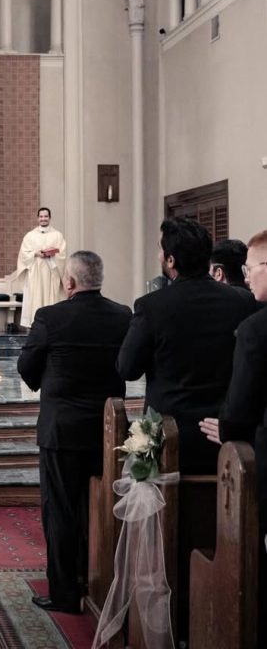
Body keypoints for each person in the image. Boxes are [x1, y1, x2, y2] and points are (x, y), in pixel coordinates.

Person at [17, 251, 131, 614]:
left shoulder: (50, 316)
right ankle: (100, 577)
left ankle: (66, 592)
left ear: (69, 282)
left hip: (61, 430)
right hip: (108, 429)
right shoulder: (123, 315)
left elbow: (27, 367)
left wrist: (43, 382)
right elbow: (127, 367)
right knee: (101, 505)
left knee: (61, 511)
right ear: (99, 278)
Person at [118, 217, 257, 474]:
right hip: (225, 435)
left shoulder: (151, 306)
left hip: (167, 438)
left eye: (161, 249)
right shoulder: (243, 301)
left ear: (171, 260)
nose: (159, 255)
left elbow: (127, 368)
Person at [200, 230, 267, 646]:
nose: (249, 278)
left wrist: (226, 428)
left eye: (253, 269)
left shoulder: (257, 330)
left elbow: (240, 409)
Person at [15, 208, 67, 328]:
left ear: (50, 218)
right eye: (41, 216)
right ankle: (36, 324)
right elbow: (23, 254)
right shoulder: (30, 236)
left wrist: (52, 254)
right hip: (35, 273)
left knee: (50, 298)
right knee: (36, 297)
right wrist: (35, 253)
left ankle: (51, 323)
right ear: (38, 218)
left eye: (46, 216)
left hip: (50, 272)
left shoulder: (57, 235)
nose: (43, 219)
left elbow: (62, 254)